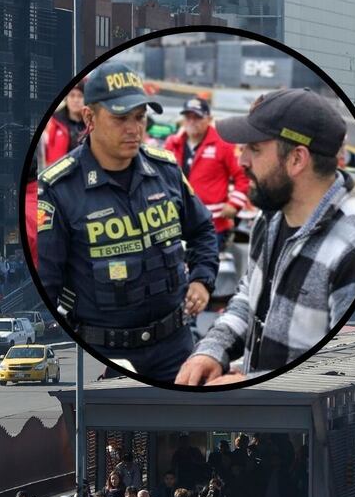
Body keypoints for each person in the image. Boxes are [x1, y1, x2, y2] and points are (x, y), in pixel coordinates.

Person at [175, 88, 355, 385]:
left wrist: (252, 385)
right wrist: (211, 349)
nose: (242, 161)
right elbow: (248, 299)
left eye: (254, 149)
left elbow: (349, 370)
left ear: (297, 159)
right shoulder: (268, 218)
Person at [33, 61, 219, 383]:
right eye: (121, 118)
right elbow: (48, 284)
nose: (134, 128)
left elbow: (203, 230)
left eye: (140, 117)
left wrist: (202, 279)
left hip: (176, 347)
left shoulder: (166, 171)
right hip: (104, 354)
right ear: (90, 118)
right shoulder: (60, 189)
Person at [164, 97, 250, 251]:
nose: (192, 121)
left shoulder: (223, 143)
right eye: (188, 117)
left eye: (197, 117)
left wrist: (235, 203)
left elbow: (242, 175)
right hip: (176, 222)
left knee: (204, 270)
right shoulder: (173, 143)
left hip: (213, 224)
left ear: (209, 119)